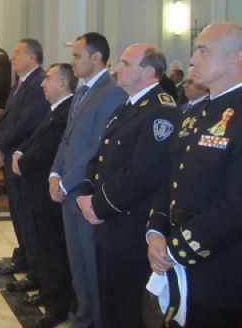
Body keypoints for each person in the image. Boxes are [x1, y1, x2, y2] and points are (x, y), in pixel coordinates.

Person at [76, 44, 180, 328]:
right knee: (109, 305)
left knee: (127, 311)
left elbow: (142, 175)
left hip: (129, 229)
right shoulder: (126, 107)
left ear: (148, 72)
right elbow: (100, 156)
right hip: (108, 226)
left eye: (125, 63)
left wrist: (97, 205)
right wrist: (85, 193)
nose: (117, 68)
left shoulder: (161, 112)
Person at [147, 22, 242, 328]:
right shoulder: (196, 113)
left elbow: (235, 206)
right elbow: (171, 177)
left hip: (220, 264)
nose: (192, 59)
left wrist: (176, 248)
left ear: (236, 58)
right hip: (177, 252)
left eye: (203, 51)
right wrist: (156, 230)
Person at [49, 32, 127, 328]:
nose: (72, 61)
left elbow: (96, 146)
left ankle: (95, 320)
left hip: (83, 192)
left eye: (77, 55)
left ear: (96, 57)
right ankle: (83, 317)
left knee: (90, 264)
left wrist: (67, 183)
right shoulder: (82, 92)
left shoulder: (111, 93)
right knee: (77, 263)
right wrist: (55, 173)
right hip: (67, 190)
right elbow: (67, 139)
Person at [11, 63, 76, 328]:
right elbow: (34, 139)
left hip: (45, 194)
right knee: (41, 248)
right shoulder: (54, 110)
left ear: (63, 83)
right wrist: (20, 152)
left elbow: (49, 149)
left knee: (52, 251)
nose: (42, 83)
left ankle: (56, 306)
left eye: (48, 78)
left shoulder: (66, 111)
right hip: (36, 192)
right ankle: (48, 292)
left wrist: (23, 162)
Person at [0, 39, 50, 290]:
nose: (12, 58)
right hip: (10, 154)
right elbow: (7, 117)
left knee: (26, 217)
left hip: (23, 159)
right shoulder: (21, 83)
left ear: (32, 57)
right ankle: (23, 257)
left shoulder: (38, 83)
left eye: (17, 53)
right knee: (16, 213)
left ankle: (35, 270)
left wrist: (0, 143)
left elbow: (26, 123)